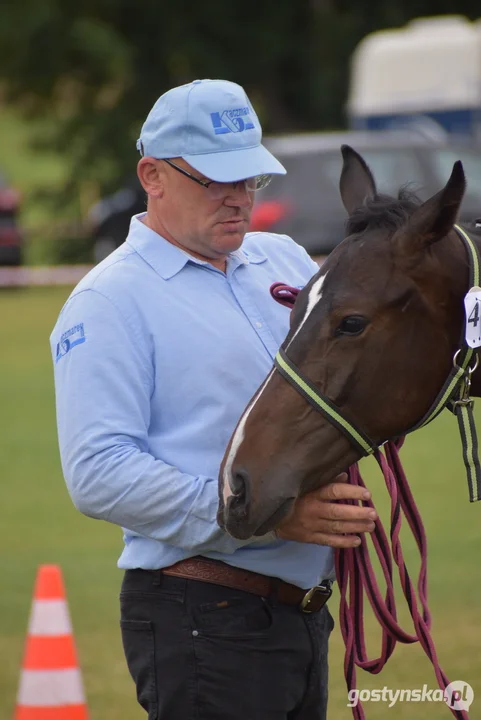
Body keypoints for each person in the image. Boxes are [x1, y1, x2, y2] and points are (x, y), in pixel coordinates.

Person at [50, 79, 377, 720]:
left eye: (250, 179)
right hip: (200, 616)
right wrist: (261, 516)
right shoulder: (108, 301)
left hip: (300, 615)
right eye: (214, 179)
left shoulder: (282, 258)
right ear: (153, 176)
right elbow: (97, 473)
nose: (237, 197)